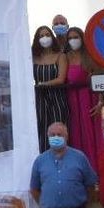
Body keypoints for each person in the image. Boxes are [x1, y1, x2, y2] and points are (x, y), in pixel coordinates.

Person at [64, 26, 100, 166]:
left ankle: (96, 168)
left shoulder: (90, 56)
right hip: (72, 99)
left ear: (82, 38)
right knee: (76, 133)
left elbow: (100, 80)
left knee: (91, 134)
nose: (73, 40)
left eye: (76, 37)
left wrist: (100, 103)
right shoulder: (65, 57)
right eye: (70, 38)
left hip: (89, 98)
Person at [32, 24, 69, 152]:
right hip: (39, 99)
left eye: (47, 35)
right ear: (37, 39)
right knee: (40, 130)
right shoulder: (32, 57)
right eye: (41, 36)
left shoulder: (60, 56)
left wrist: (43, 84)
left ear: (52, 37)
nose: (44, 38)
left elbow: (61, 79)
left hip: (57, 98)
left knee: (58, 130)